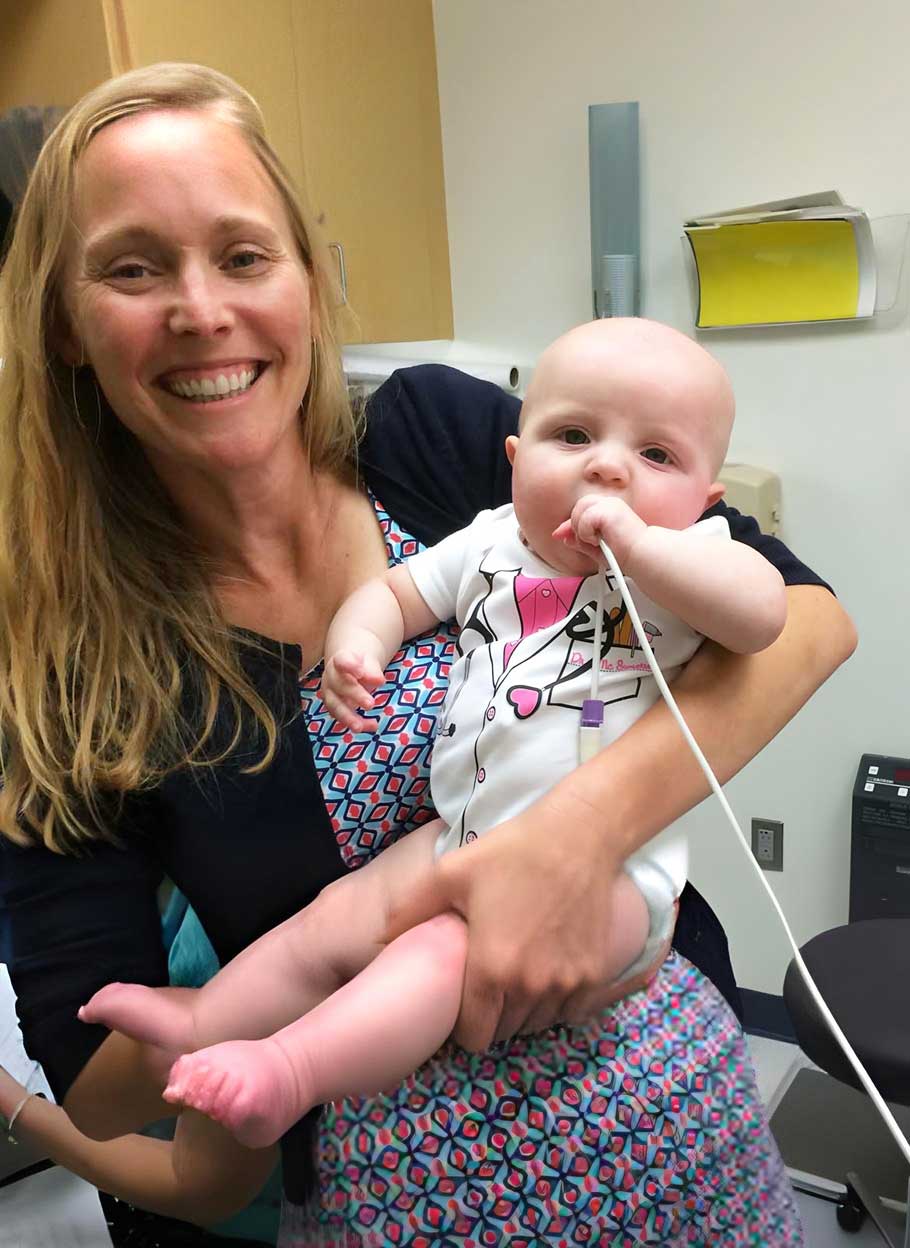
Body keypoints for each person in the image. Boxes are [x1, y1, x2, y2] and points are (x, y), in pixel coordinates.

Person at [0, 61, 855, 1246]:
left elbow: (805, 621)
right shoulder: (70, 672)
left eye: (243, 255)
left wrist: (567, 839)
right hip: (410, 1200)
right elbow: (97, 1081)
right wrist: (325, 969)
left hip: (672, 1120)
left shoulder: (437, 438)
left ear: (307, 281)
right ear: (64, 324)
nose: (200, 310)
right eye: (133, 269)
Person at [78, 317, 789, 1156]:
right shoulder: (492, 542)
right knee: (339, 916)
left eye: (657, 456)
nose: (607, 467)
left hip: (615, 880)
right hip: (462, 833)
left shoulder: (692, 556)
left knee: (442, 949)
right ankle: (204, 1018)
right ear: (516, 457)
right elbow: (396, 594)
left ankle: (292, 1072)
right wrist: (358, 644)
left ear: (706, 498)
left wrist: (641, 547)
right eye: (573, 436)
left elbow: (762, 615)